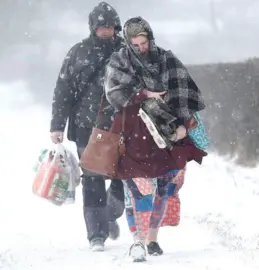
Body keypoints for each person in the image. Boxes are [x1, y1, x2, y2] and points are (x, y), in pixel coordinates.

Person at [102, 16, 208, 262]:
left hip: (167, 132)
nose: (142, 48)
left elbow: (184, 92)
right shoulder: (119, 61)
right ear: (128, 42)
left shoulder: (167, 59)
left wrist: (182, 125)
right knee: (135, 188)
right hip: (133, 132)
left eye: (145, 42)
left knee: (165, 187)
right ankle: (137, 241)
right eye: (136, 44)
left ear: (151, 38)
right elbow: (113, 93)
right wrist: (143, 94)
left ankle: (152, 238)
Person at [49, 2, 126, 251]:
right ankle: (96, 234)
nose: (106, 31)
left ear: (116, 27)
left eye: (110, 26)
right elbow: (63, 91)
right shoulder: (78, 52)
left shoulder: (127, 52)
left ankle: (110, 214)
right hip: (86, 127)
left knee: (120, 175)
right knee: (93, 179)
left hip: (120, 125)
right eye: (101, 26)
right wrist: (57, 125)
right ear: (93, 27)